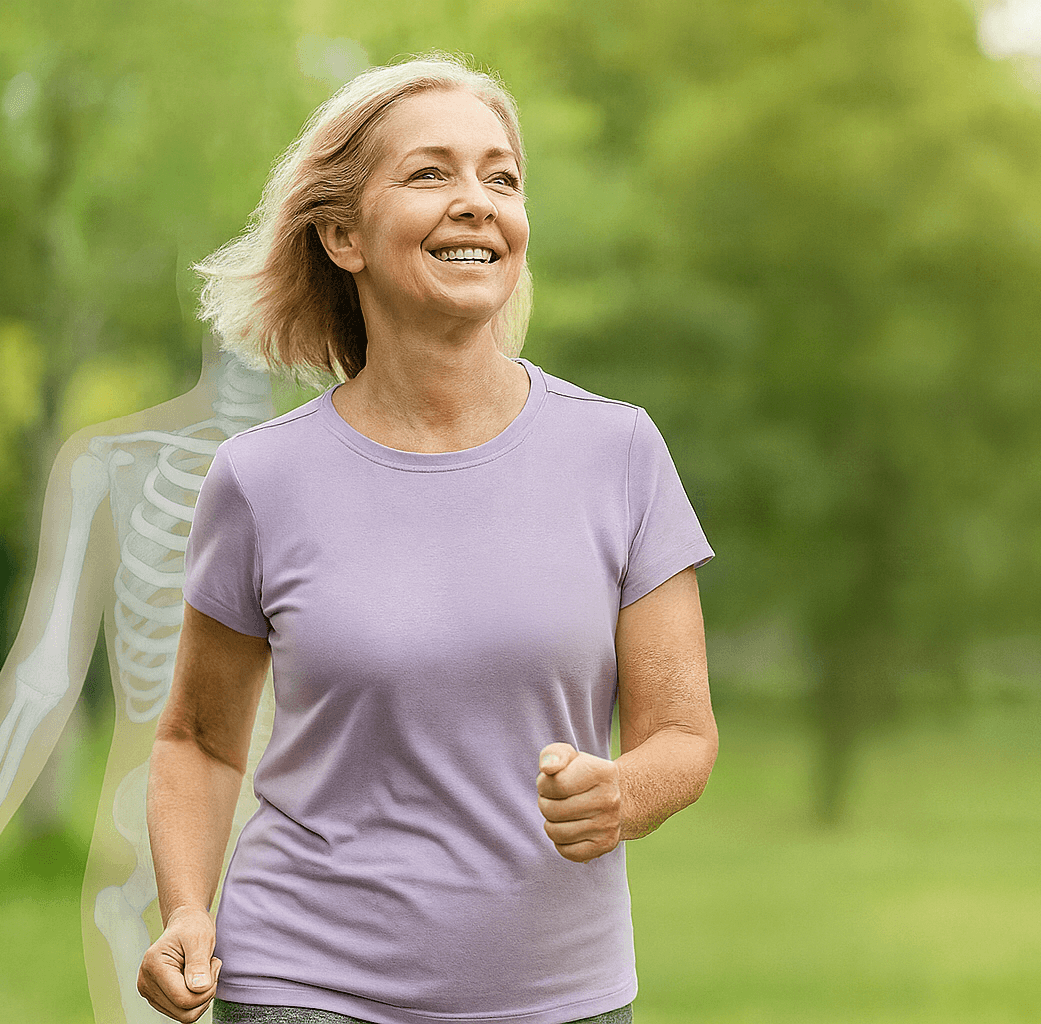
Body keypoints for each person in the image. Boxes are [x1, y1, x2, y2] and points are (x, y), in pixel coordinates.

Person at [134, 53, 718, 1024]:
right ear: (341, 234)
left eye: (502, 177)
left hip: (559, 995)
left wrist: (626, 792)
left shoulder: (619, 451)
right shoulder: (261, 479)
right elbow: (197, 737)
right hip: (308, 987)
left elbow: (683, 735)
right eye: (430, 173)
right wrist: (187, 910)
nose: (477, 201)